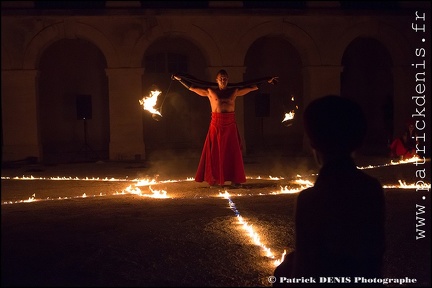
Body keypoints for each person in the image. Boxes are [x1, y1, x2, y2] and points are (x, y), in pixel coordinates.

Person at [273, 95, 386, 286]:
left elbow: (305, 268)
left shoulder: (311, 199)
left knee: (282, 271)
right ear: (358, 141)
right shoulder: (372, 188)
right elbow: (373, 258)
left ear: (313, 144)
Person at [173, 70, 278, 187]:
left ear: (228, 80)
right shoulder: (210, 91)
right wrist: (180, 79)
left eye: (225, 78)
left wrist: (267, 80)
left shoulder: (234, 91)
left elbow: (252, 87)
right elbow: (193, 87)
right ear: (217, 80)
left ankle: (235, 180)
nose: (223, 80)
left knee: (233, 151)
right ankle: (214, 178)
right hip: (216, 124)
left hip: (230, 124)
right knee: (214, 152)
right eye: (221, 78)